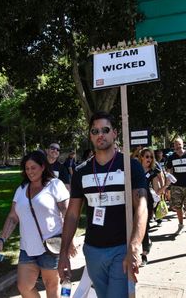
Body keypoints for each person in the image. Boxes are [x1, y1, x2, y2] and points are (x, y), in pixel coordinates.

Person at [58, 111, 148, 298]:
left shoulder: (130, 166)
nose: (100, 134)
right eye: (95, 131)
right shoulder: (81, 172)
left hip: (121, 249)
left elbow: (142, 206)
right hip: (92, 252)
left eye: (105, 130)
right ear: (90, 135)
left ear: (114, 133)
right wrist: (64, 252)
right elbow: (73, 214)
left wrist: (135, 244)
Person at [0, 151, 72, 298]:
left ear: (42, 167)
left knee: (51, 287)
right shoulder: (21, 189)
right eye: (27, 168)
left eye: (33, 167)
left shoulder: (55, 185)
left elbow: (67, 214)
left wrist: (69, 241)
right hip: (27, 247)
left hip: (51, 246)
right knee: (24, 287)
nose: (30, 172)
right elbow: (12, 217)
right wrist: (2, 238)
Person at [138, 147, 169, 266]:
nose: (149, 159)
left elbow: (157, 191)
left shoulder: (153, 172)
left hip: (147, 202)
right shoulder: (134, 169)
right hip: (133, 201)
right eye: (147, 156)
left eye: (151, 157)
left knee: (144, 227)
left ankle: (144, 254)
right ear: (141, 157)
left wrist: (166, 185)